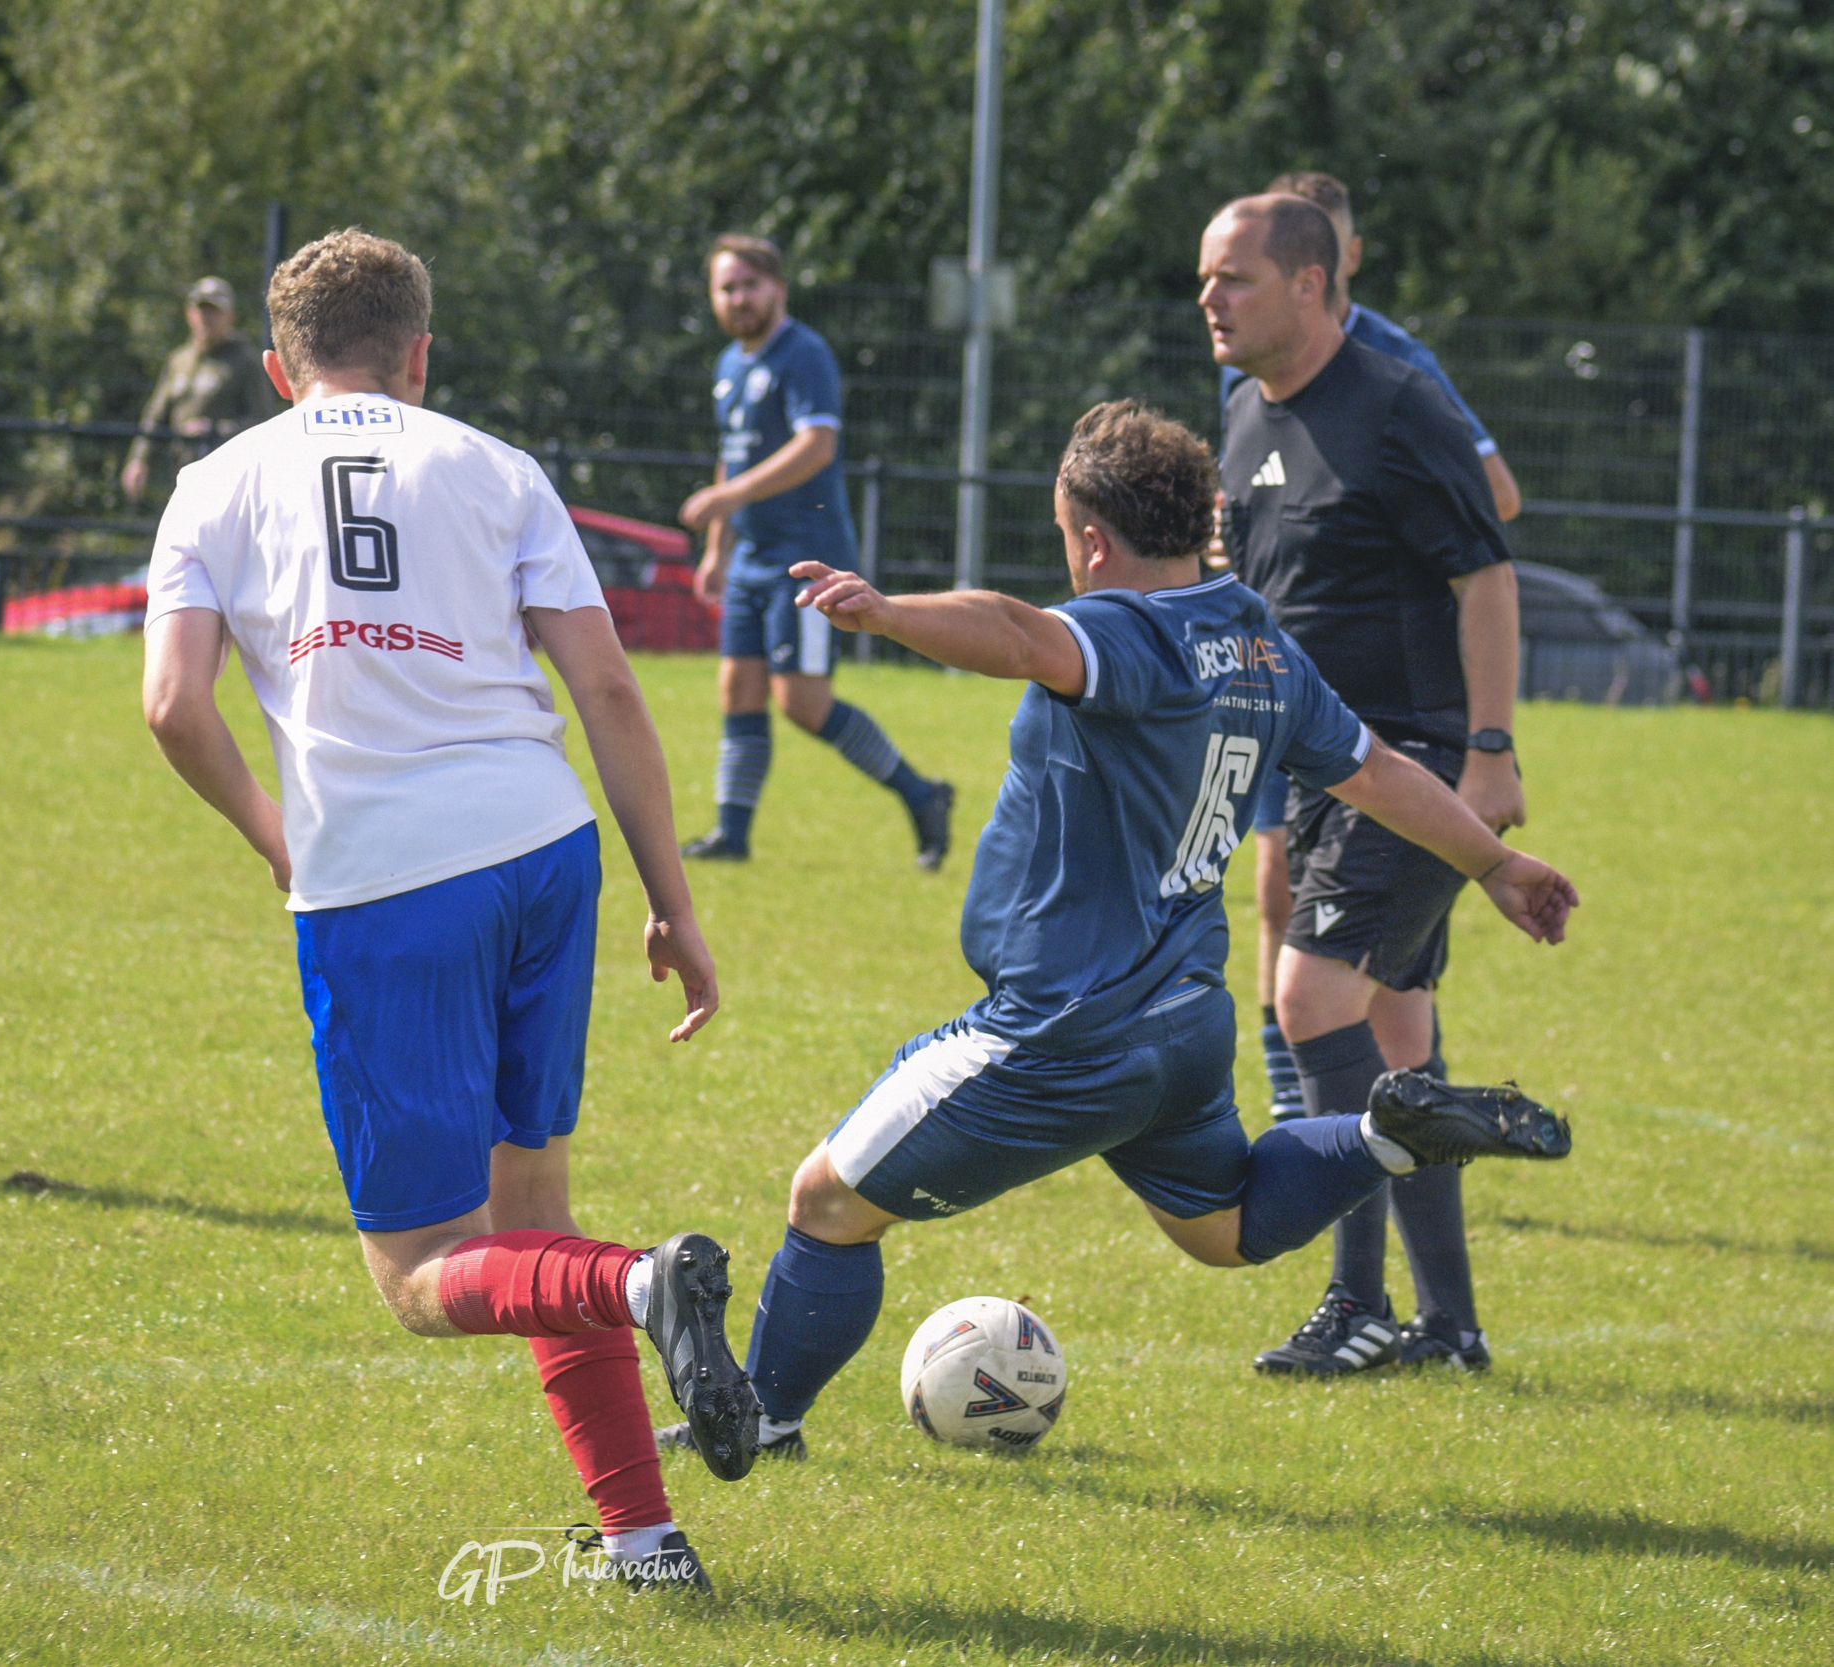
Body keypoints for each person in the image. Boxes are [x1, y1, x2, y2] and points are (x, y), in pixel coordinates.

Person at [656, 399, 1573, 1463]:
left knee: (825, 1200)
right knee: (1226, 1229)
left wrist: (887, 612)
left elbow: (1016, 631)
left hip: (1058, 1033)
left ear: (1091, 540)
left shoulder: (1131, 631)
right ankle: (1387, 1135)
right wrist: (1494, 862)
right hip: (1179, 1027)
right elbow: (1375, 772)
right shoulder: (1260, 646)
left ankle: (763, 1420)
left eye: (1064, 536)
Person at [142, 228, 761, 1591]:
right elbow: (608, 688)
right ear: (420, 356)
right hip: (543, 847)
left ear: (275, 369)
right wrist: (672, 902)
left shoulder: (214, 482)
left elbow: (173, 705)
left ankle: (641, 1285)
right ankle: (643, 1539)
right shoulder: (498, 467)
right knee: (532, 1212)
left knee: (422, 1276)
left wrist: (276, 836)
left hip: (382, 878)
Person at [1203, 192, 1529, 1376]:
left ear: (1310, 281)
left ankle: (1357, 1304)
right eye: (1204, 279)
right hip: (1318, 769)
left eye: (1234, 278)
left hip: (1411, 763)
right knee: (1394, 1034)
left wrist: (1487, 749)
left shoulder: (1397, 404)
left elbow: (1485, 577)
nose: (1209, 300)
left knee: (1309, 1001)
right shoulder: (1244, 412)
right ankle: (1448, 1326)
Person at [676, 233, 953, 868]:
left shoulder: (804, 354)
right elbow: (731, 459)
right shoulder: (728, 365)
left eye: (750, 284)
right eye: (726, 288)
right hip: (751, 559)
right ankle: (732, 835)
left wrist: (726, 497)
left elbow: (817, 447)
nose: (738, 298)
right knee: (737, 689)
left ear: (778, 288)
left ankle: (922, 795)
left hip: (807, 559)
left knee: (802, 703)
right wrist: (719, 548)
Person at [119, 276, 280, 500]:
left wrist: (213, 430)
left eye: (215, 311)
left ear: (231, 317)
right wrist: (138, 459)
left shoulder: (245, 362)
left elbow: (263, 422)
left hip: (226, 478)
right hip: (177, 473)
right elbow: (155, 416)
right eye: (201, 310)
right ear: (189, 314)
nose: (206, 318)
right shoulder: (179, 360)